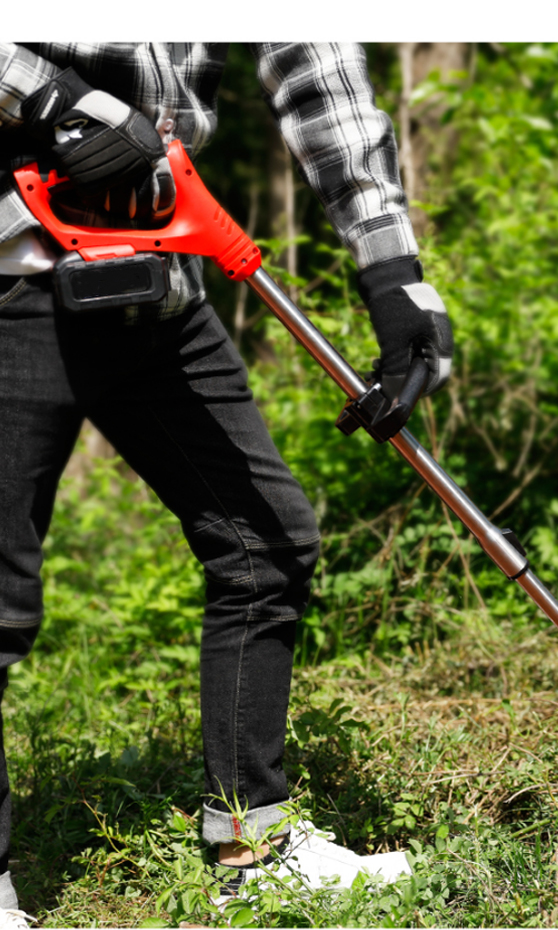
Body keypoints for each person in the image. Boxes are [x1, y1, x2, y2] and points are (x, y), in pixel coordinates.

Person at [0, 42, 454, 927]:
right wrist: (49, 93)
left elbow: (321, 68)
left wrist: (394, 273)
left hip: (157, 281)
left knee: (266, 546)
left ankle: (258, 845)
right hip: (8, 271)